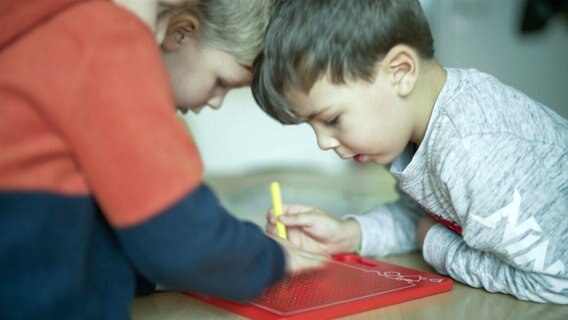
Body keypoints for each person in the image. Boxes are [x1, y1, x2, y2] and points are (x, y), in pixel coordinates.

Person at [0, 0, 328, 319]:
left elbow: (97, 243)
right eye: (221, 82)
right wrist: (272, 257)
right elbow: (181, 235)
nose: (214, 104)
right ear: (181, 33)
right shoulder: (102, 35)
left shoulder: (49, 31)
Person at [252, 0, 568, 304]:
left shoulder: (471, 153)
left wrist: (436, 245)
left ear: (400, 72)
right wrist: (350, 233)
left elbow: (555, 283)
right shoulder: (415, 131)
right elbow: (434, 215)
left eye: (332, 119)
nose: (323, 142)